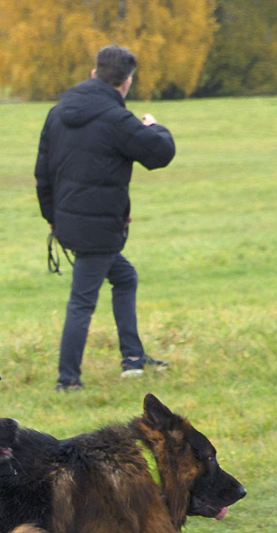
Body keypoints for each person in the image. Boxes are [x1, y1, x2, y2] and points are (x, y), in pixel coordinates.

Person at [35, 44, 175, 391]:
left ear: (94, 72)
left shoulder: (57, 112)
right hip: (99, 227)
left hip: (69, 222)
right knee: (82, 301)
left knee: (124, 277)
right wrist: (157, 127)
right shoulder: (117, 119)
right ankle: (67, 380)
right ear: (126, 82)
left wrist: (52, 219)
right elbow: (159, 154)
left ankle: (133, 358)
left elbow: (42, 172)